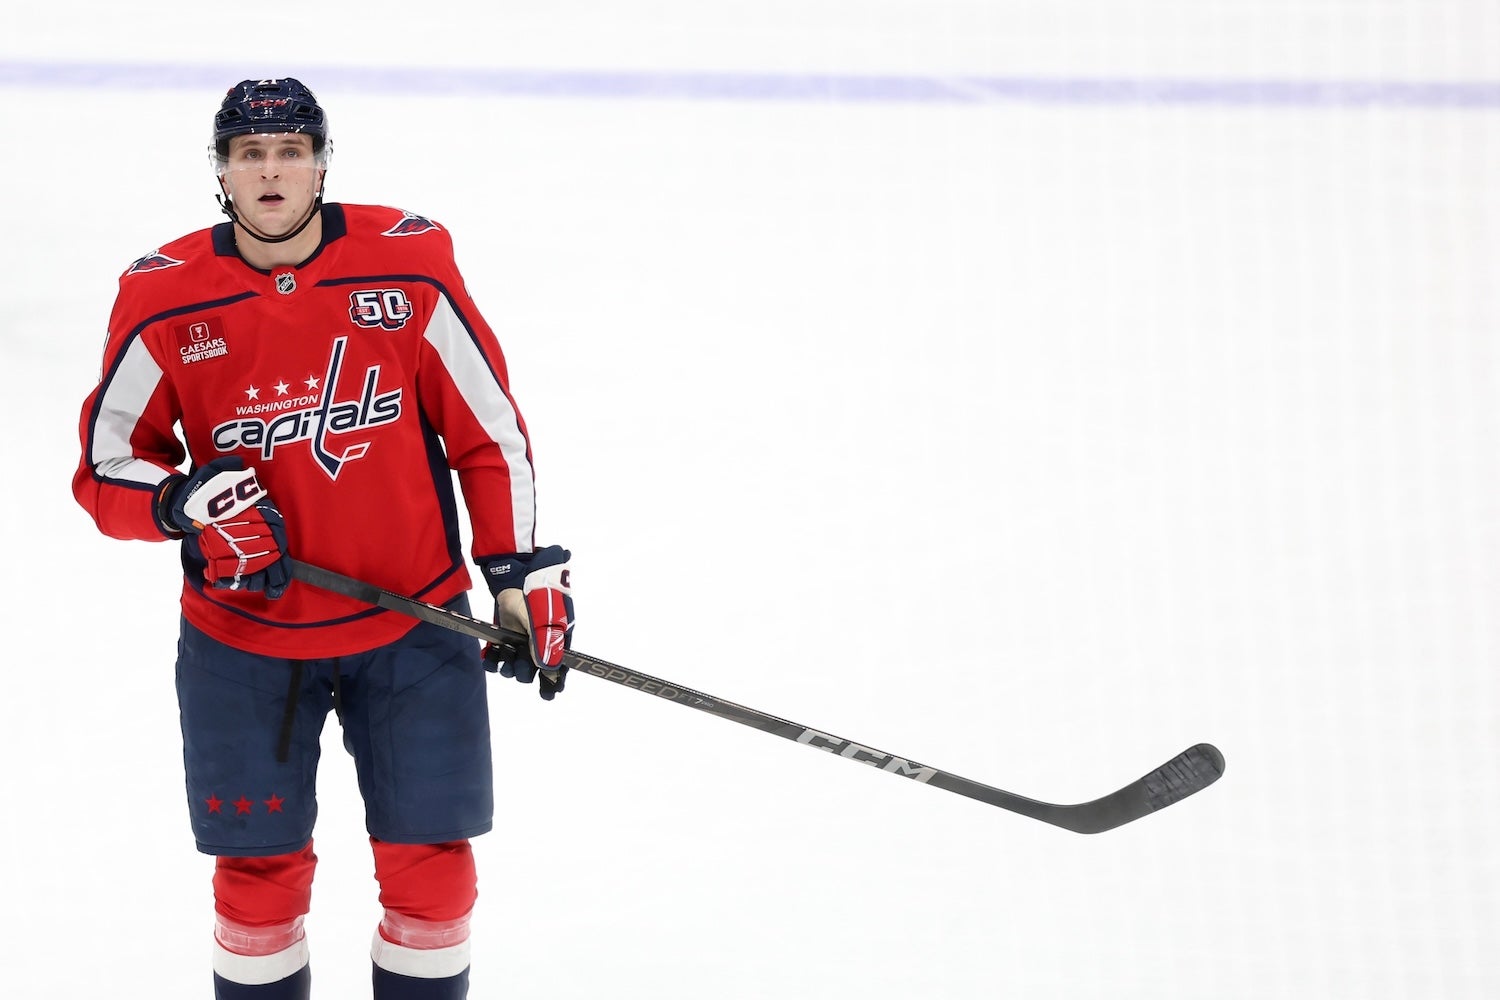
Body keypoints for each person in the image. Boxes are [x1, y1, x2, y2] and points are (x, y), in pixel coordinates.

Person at [72, 77, 573, 1000]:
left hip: (415, 622)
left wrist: (515, 571)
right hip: (243, 640)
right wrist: (183, 502)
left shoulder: (408, 266)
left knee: (434, 881)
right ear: (221, 172)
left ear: (321, 166)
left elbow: (486, 433)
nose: (271, 172)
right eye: (250, 155)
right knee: (256, 893)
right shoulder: (163, 295)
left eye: (291, 152)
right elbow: (105, 470)